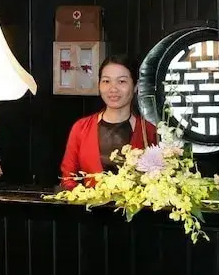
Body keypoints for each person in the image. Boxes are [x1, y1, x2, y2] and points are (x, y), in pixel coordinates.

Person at [59, 54, 157, 189]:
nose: (113, 89)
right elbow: (68, 178)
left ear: (136, 86)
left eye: (121, 81)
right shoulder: (81, 128)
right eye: (106, 81)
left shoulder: (149, 131)